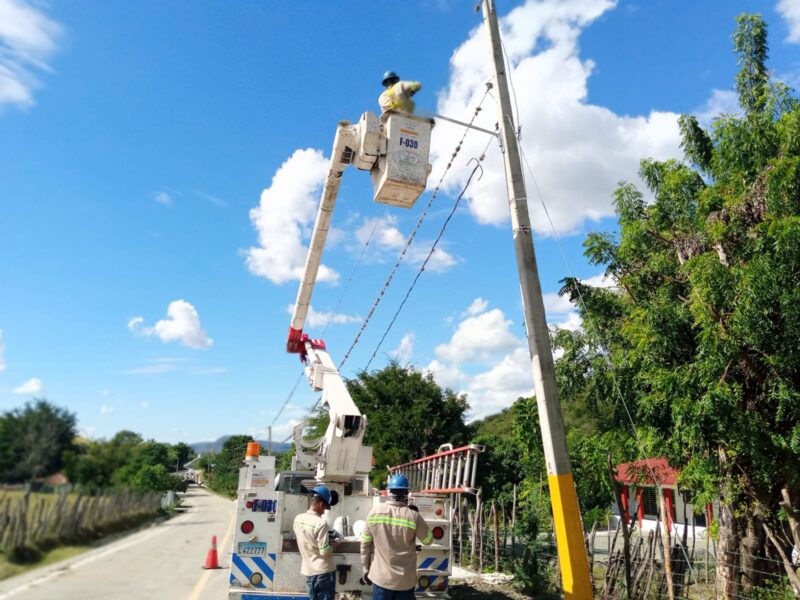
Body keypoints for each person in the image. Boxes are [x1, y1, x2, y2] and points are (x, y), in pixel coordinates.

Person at [360, 474, 433, 600]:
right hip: (405, 582)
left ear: (389, 492)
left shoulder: (373, 513)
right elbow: (428, 540)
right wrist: (418, 517)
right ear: (406, 494)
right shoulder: (413, 516)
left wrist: (366, 569)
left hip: (381, 580)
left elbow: (365, 545)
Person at [294, 485, 340, 600]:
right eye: (325, 509)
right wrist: (334, 545)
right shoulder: (321, 523)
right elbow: (324, 551)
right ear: (321, 504)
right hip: (324, 573)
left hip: (309, 572)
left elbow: (308, 540)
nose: (324, 512)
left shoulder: (298, 519)